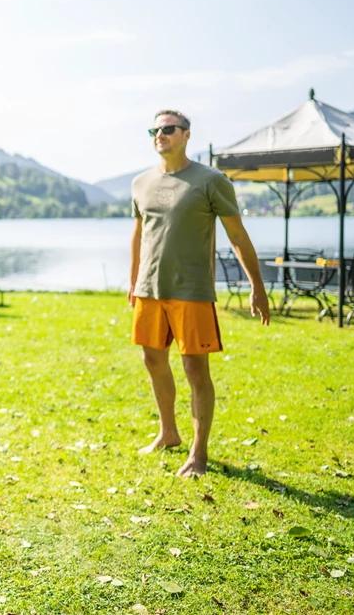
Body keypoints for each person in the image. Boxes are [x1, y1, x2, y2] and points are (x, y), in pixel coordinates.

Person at [129, 110, 270, 478]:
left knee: (195, 368)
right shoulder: (140, 183)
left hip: (191, 290)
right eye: (155, 130)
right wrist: (134, 282)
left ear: (186, 135)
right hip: (149, 290)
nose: (160, 134)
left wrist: (257, 285)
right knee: (153, 361)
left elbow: (237, 236)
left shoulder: (211, 180)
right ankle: (168, 433)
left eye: (168, 129)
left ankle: (199, 452)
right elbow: (139, 235)